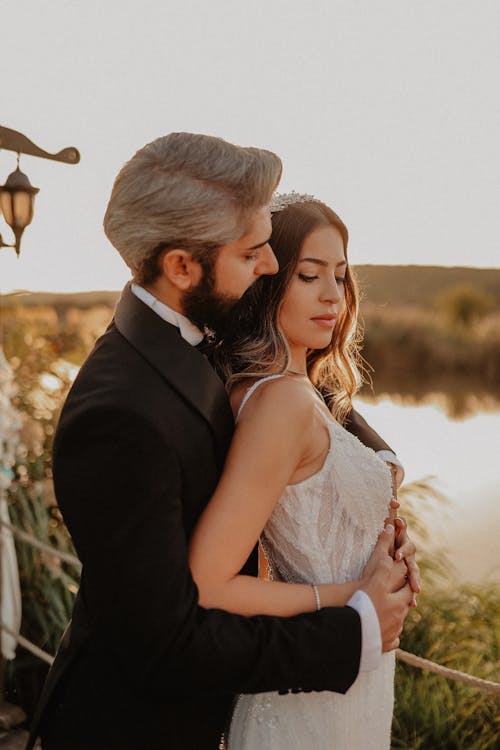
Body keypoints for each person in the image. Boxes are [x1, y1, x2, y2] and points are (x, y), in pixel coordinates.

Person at [26, 134, 417, 750]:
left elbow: (304, 391)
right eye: (252, 253)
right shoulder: (119, 414)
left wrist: (377, 477)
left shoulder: (198, 338)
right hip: (134, 729)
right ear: (182, 266)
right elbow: (168, 642)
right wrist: (358, 624)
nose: (268, 267)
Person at [189, 192, 409, 748]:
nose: (333, 295)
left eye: (341, 275)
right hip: (311, 704)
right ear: (267, 280)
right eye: (310, 275)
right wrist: (355, 595)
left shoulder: (299, 388)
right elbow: (209, 583)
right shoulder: (279, 404)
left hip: (354, 677)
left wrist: (390, 557)